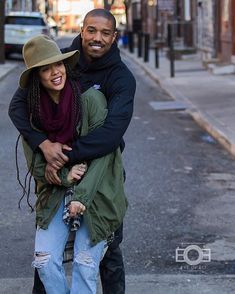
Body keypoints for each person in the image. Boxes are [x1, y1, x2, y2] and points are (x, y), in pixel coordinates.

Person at [8, 8, 136, 294]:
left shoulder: (121, 78)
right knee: (46, 260)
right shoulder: (60, 61)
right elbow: (19, 106)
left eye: (105, 33)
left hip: (101, 169)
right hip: (56, 175)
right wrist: (43, 144)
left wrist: (63, 157)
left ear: (114, 37)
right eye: (91, 30)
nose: (97, 38)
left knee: (106, 253)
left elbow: (111, 136)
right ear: (82, 30)